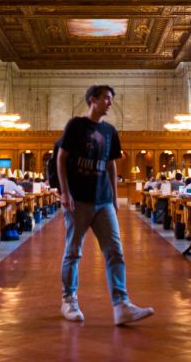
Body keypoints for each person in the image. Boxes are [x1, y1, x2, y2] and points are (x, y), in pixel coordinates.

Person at [57, 84, 153, 326]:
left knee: (115, 252)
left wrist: (112, 195)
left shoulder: (110, 130)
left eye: (111, 99)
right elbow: (61, 158)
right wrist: (64, 192)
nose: (110, 103)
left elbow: (111, 164)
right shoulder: (76, 126)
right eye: (107, 98)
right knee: (73, 251)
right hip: (78, 200)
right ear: (93, 100)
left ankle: (121, 306)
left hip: (103, 202)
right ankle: (69, 300)